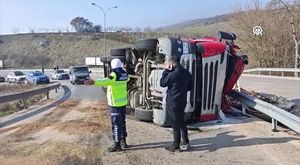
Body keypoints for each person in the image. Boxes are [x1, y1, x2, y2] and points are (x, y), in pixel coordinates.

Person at [84, 58, 129, 152]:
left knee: (116, 124)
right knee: (122, 123)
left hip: (115, 104)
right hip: (123, 103)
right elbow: (126, 80)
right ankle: (123, 142)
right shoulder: (125, 74)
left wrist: (94, 82)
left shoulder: (114, 74)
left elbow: (106, 81)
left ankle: (117, 144)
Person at [160, 56, 192, 152]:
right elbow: (190, 87)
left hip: (172, 102)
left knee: (175, 123)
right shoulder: (187, 73)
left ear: (171, 64)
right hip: (182, 101)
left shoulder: (172, 74)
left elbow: (162, 83)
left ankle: (176, 144)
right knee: (182, 121)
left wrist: (166, 71)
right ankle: (186, 141)